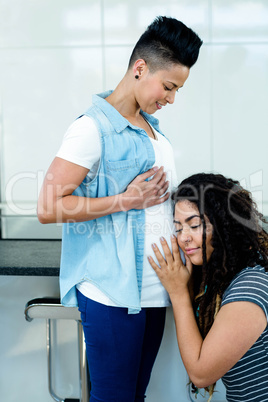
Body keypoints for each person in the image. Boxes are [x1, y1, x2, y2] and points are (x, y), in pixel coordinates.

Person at [37, 16, 202, 402]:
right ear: (140, 68)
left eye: (177, 89)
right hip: (112, 294)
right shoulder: (91, 130)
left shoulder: (153, 130)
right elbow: (48, 206)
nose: (171, 98)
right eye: (168, 86)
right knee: (113, 397)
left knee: (134, 396)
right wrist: (124, 201)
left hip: (154, 291)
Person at [148, 173, 268, 402]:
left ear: (226, 226)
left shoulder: (251, 287)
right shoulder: (232, 272)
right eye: (178, 228)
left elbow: (201, 374)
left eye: (194, 225)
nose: (183, 238)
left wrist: (178, 293)